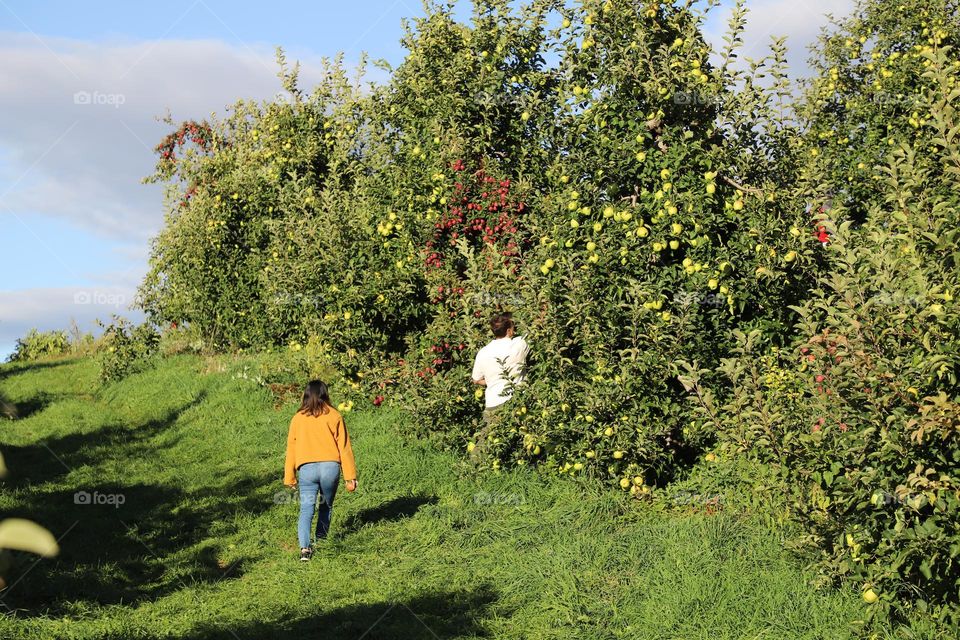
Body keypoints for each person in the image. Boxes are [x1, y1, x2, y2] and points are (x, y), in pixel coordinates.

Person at [283, 380, 358, 561]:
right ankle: (321, 542)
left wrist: (289, 477)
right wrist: (350, 477)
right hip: (330, 468)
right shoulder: (335, 416)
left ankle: (305, 550)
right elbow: (344, 448)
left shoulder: (298, 418)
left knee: (306, 509)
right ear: (326, 393)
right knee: (326, 507)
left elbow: (291, 448)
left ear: (306, 395)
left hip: (306, 469)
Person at [471, 312, 530, 424]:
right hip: (516, 402)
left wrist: (492, 380)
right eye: (513, 327)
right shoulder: (520, 344)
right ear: (508, 331)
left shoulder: (483, 352)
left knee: (491, 439)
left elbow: (476, 380)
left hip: (493, 404)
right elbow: (532, 332)